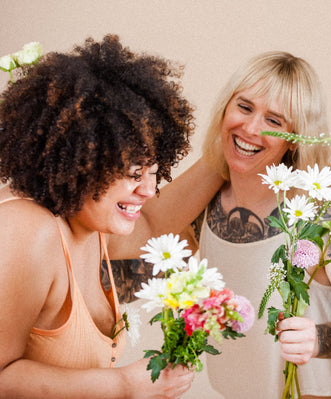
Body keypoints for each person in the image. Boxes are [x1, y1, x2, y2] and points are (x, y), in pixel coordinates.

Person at [114, 51, 331, 398]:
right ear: (225, 107)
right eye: (244, 108)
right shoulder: (208, 206)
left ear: (298, 135)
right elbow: (142, 274)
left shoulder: (326, 211)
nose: (250, 128)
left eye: (274, 121)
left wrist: (319, 339)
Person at [0, 35, 222, 398]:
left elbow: (153, 223)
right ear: (83, 160)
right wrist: (123, 385)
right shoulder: (28, 229)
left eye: (154, 171)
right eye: (134, 173)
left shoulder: (90, 221)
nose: (148, 191)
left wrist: (229, 149)